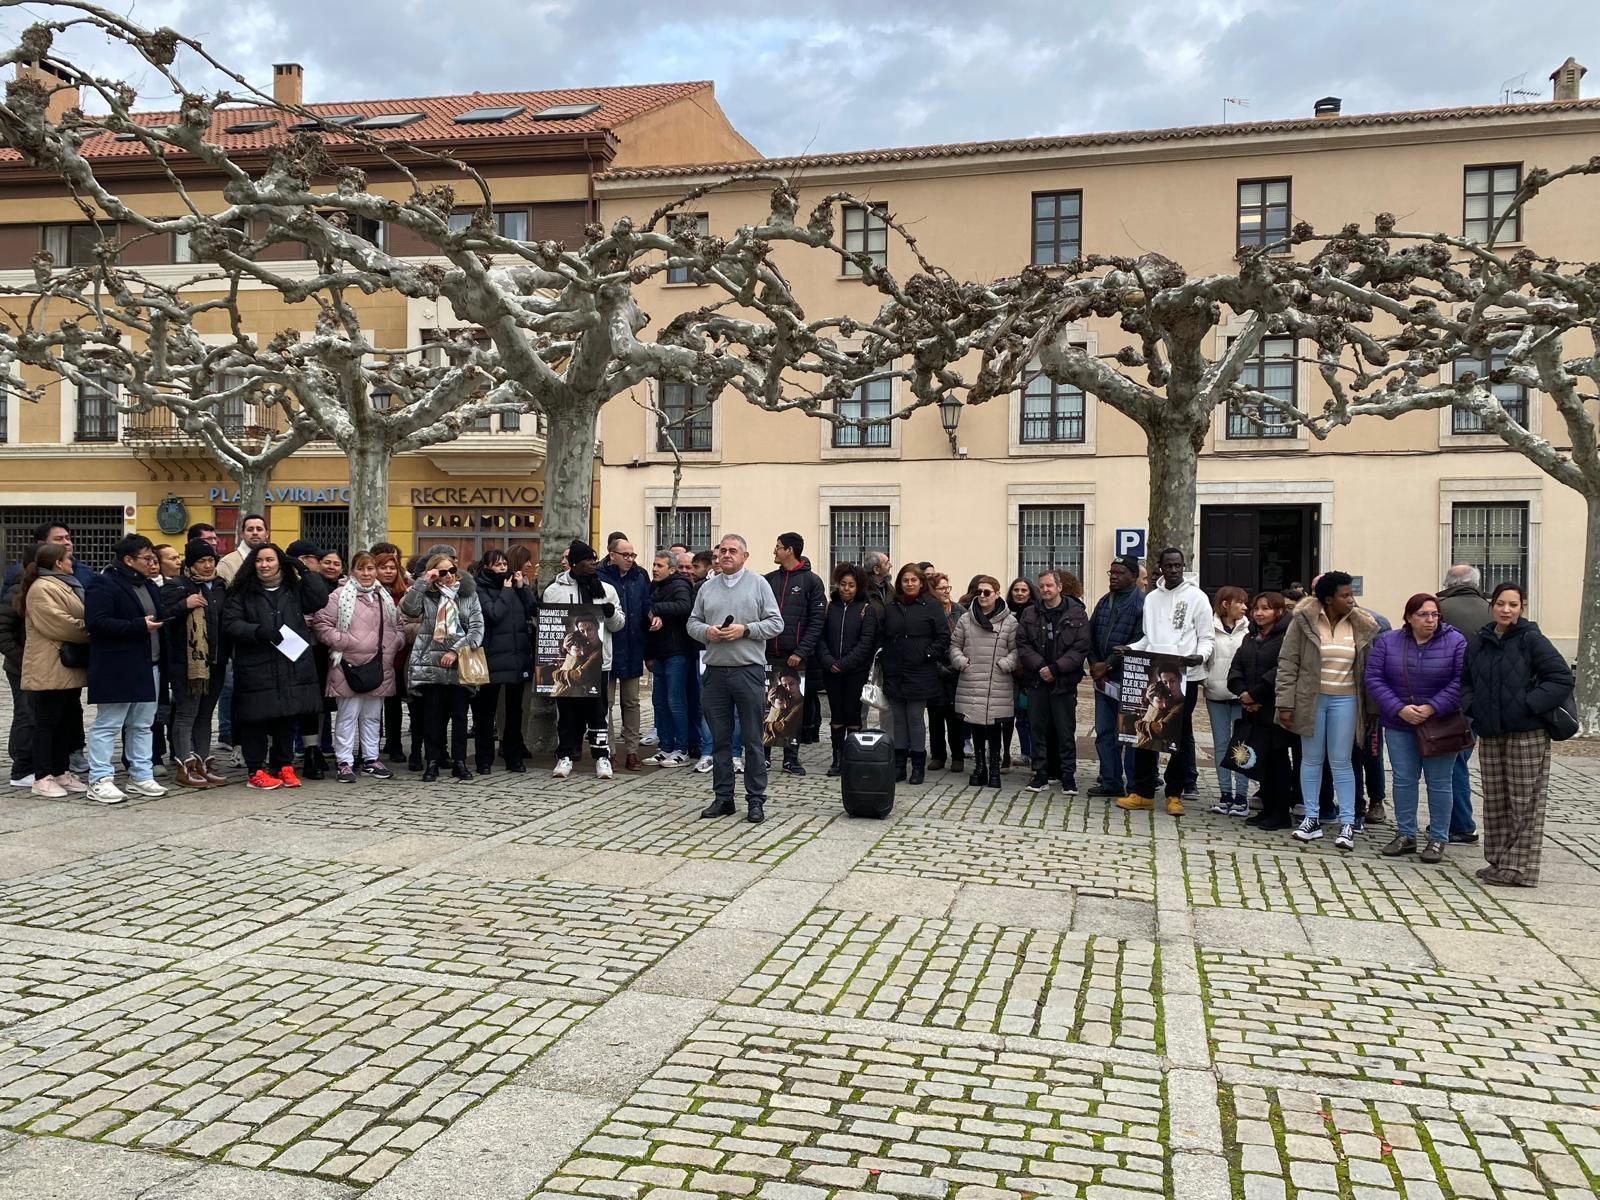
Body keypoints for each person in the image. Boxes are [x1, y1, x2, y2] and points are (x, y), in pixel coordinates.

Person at [1460, 582, 1572, 888]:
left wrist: (1528, 705)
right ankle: (1498, 860)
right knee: (1496, 799)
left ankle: (1519, 868)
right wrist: (1473, 706)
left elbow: (1561, 678)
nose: (1506, 610)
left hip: (1527, 733)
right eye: (1501, 604)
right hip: (1491, 731)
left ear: (1522, 607)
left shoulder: (1532, 640)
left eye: (1513, 605)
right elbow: (1466, 681)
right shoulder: (1480, 641)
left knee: (1524, 802)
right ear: (1491, 605)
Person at [1276, 571, 1378, 850]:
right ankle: (1311, 818)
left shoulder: (1360, 624)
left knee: (1341, 760)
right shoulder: (1303, 621)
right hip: (1311, 699)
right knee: (1310, 759)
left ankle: (1347, 822)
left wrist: (1371, 708)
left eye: (1351, 595)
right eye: (1345, 596)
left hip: (1346, 700)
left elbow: (1369, 669)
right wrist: (1285, 702)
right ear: (1329, 598)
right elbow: (1288, 663)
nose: (1351, 600)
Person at [688, 533, 784, 823]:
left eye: (733, 551)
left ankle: (756, 799)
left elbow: (776, 623)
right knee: (720, 740)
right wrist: (708, 632)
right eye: (723, 551)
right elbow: (692, 623)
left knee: (753, 739)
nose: (727, 555)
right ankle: (723, 798)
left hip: (748, 670)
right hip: (715, 672)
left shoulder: (759, 584)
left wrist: (746, 630)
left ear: (745, 556)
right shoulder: (707, 587)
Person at [1365, 593, 1466, 862]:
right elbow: (1374, 678)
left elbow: (1461, 680)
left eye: (1434, 614)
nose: (1430, 620)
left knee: (1440, 782)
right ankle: (1406, 833)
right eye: (1423, 614)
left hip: (1441, 723)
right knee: (1404, 779)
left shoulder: (1455, 641)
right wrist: (1399, 708)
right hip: (1400, 722)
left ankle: (1438, 839)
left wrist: (1432, 707)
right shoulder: (1388, 641)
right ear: (1409, 617)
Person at [221, 543, 331, 790]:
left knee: (286, 716)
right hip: (256, 664)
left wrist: (301, 567)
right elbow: (230, 624)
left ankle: (283, 764)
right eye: (259, 560)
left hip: (290, 662)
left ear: (279, 562)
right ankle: (256, 769)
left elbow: (319, 598)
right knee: (256, 718)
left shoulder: (293, 588)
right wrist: (258, 631)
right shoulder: (241, 591)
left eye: (270, 560)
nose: (264, 565)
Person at [3, 523, 94, 790]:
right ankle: (41, 775)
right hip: (49, 663)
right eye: (66, 558)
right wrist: (92, 629)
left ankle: (61, 770)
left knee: (66, 720)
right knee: (44, 721)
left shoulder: (66, 583)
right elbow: (61, 623)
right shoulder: (42, 588)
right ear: (56, 562)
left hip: (66, 665)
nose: (71, 560)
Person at [82, 535, 168, 805]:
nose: (152, 564)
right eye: (147, 559)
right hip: (117, 665)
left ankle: (140, 774)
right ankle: (99, 778)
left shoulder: (149, 585)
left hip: (149, 664)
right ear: (128, 560)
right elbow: (96, 624)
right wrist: (137, 626)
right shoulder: (103, 583)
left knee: (143, 725)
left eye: (154, 559)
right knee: (108, 724)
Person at [311, 551, 401, 783]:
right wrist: (343, 641)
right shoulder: (339, 596)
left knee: (372, 717)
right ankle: (344, 761)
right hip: (347, 665)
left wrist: (394, 643)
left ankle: (371, 758)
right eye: (361, 568)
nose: (366, 573)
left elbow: (397, 625)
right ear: (352, 570)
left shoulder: (384, 597)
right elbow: (322, 623)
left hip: (379, 664)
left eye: (370, 568)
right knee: (347, 716)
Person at [543, 540, 625, 779]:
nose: (592, 565)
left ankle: (602, 757)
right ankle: (565, 755)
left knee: (598, 712)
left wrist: (611, 615)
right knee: (567, 710)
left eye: (594, 560)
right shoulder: (554, 590)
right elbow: (548, 623)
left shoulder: (607, 590)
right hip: (568, 660)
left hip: (599, 661)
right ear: (575, 563)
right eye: (588, 561)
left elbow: (619, 624)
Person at [401, 553, 484, 783]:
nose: (448, 576)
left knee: (459, 716)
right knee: (432, 717)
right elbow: (408, 610)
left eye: (451, 570)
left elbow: (477, 629)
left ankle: (459, 761)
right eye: (442, 572)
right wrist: (423, 581)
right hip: (430, 662)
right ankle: (433, 761)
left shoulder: (469, 595)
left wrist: (455, 651)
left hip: (458, 662)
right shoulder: (426, 594)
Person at [1015, 569, 1090, 793]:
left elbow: (1081, 648)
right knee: (1037, 729)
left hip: (1064, 682)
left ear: (1059, 587)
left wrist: (1056, 668)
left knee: (1065, 731)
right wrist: (1040, 667)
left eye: (1049, 585)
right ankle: (1040, 774)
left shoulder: (1077, 614)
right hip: (1037, 681)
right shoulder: (1030, 614)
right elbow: (1023, 644)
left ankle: (1067, 776)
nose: (1045, 590)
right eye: (1042, 586)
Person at [878, 563, 949, 785]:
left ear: (921, 582)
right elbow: (883, 636)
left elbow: (943, 637)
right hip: (895, 670)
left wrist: (927, 655)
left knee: (916, 718)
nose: (909, 584)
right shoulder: (892, 606)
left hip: (920, 670)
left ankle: (918, 765)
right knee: (898, 718)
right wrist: (886, 658)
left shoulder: (932, 606)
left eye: (914, 580)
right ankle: (899, 765)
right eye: (905, 580)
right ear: (900, 583)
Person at [1228, 591, 1294, 830]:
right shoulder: (1250, 636)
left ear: (1278, 612)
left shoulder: (1287, 637)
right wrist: (1242, 691)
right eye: (1256, 608)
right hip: (1251, 708)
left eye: (1265, 608)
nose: (1258, 613)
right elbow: (1236, 666)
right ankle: (1267, 808)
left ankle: (1280, 812)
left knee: (1277, 760)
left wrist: (1256, 695)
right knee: (1261, 760)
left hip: (1273, 708)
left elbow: (1281, 670)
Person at [1436, 564, 1492, 845]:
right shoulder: (1492, 609)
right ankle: (1460, 821)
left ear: (1447, 582)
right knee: (1460, 759)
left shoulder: (1439, 608)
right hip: (1483, 699)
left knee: (1452, 762)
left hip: (1449, 697)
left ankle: (1460, 823)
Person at [166, 539, 228, 789]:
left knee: (205, 714)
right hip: (188, 664)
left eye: (211, 561)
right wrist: (185, 605)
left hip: (216, 661)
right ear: (191, 564)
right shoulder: (177, 586)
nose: (207, 565)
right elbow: (164, 616)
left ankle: (202, 761)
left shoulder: (221, 586)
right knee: (186, 714)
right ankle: (184, 764)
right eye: (201, 561)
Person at [765, 532, 826, 775]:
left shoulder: (812, 581)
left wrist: (801, 651)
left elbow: (816, 622)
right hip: (769, 654)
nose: (774, 551)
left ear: (790, 550)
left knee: (793, 708)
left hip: (795, 657)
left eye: (778, 547)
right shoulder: (768, 580)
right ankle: (765, 755)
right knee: (768, 705)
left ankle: (791, 758)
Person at [469, 548, 534, 774]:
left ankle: (513, 756)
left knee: (514, 712)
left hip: (516, 657)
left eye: (505, 564)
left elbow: (531, 609)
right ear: (487, 567)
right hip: (491, 659)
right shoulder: (480, 588)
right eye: (498, 565)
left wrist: (521, 588)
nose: (503, 568)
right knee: (486, 713)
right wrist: (506, 591)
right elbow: (494, 614)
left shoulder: (514, 587)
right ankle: (483, 759)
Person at [950, 576, 1017, 789]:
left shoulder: (1010, 622)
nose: (982, 596)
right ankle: (980, 767)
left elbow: (1017, 650)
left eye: (987, 592)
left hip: (997, 680)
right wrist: (961, 662)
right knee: (976, 724)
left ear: (997, 593)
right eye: (979, 592)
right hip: (972, 678)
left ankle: (995, 768)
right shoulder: (966, 619)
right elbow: (954, 646)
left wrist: (1005, 664)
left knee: (995, 727)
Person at [1086, 557, 1145, 798]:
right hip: (1103, 681)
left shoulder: (1143, 603)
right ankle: (1110, 781)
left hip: (1130, 678)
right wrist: (1094, 665)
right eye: (1111, 572)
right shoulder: (1104, 601)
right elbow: (1089, 635)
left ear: (1133, 575)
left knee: (1130, 735)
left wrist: (1107, 665)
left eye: (1119, 572)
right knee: (1105, 733)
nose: (1113, 576)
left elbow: (1139, 639)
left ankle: (1133, 785)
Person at [817, 562, 879, 776]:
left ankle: (852, 758)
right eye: (843, 584)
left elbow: (866, 643)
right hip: (830, 670)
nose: (846, 589)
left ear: (858, 587)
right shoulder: (829, 608)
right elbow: (821, 638)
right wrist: (829, 661)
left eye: (851, 585)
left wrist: (844, 664)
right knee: (837, 715)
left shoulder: (866, 610)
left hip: (855, 672)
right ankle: (837, 758)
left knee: (853, 715)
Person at [597, 534, 650, 771]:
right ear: (612, 555)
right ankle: (609, 751)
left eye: (632, 555)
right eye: (625, 555)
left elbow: (646, 603)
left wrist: (652, 616)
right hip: (606, 647)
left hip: (632, 645)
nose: (630, 559)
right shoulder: (599, 577)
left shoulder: (640, 576)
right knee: (605, 703)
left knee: (631, 701)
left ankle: (632, 751)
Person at [645, 550, 695, 767]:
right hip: (658, 652)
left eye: (660, 566)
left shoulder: (680, 584)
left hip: (677, 652)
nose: (655, 569)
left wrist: (656, 609)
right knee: (659, 702)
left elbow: (685, 607)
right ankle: (664, 747)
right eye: (654, 565)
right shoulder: (654, 586)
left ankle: (681, 748)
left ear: (672, 569)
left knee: (675, 702)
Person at [1204, 585, 1251, 816]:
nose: (1245, 607)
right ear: (1225, 604)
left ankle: (1242, 797)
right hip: (1216, 694)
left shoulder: (1248, 629)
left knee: (1240, 747)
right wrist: (1207, 680)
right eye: (1239, 603)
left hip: (1241, 696)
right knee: (1221, 745)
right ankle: (1225, 794)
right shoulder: (1208, 628)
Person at [373, 551, 415, 766]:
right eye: (383, 567)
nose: (388, 572)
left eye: (392, 568)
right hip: (373, 655)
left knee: (394, 702)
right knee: (372, 704)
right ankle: (369, 747)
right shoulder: (369, 592)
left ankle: (394, 742)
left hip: (399, 654)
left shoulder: (405, 592)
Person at [924, 572, 967, 774]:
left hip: (957, 670)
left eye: (947, 588)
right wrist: (938, 667)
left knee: (955, 716)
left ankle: (957, 756)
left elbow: (968, 640)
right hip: (934, 670)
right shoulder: (928, 612)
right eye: (941, 588)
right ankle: (938, 755)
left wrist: (956, 665)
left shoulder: (960, 611)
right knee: (935, 716)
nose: (946, 592)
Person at [1000, 578, 1037, 769]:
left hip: (1029, 671)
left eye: (1024, 590)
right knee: (1013, 716)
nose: (1020, 593)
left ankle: (1032, 753)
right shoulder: (1004, 612)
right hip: (1008, 671)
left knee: (1029, 715)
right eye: (1016, 589)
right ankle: (1021, 753)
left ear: (1030, 593)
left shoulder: (1036, 612)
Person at [215, 513, 269, 584]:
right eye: (250, 529)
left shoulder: (277, 561)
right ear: (242, 534)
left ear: (267, 534)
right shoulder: (227, 563)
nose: (255, 533)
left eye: (259, 529)